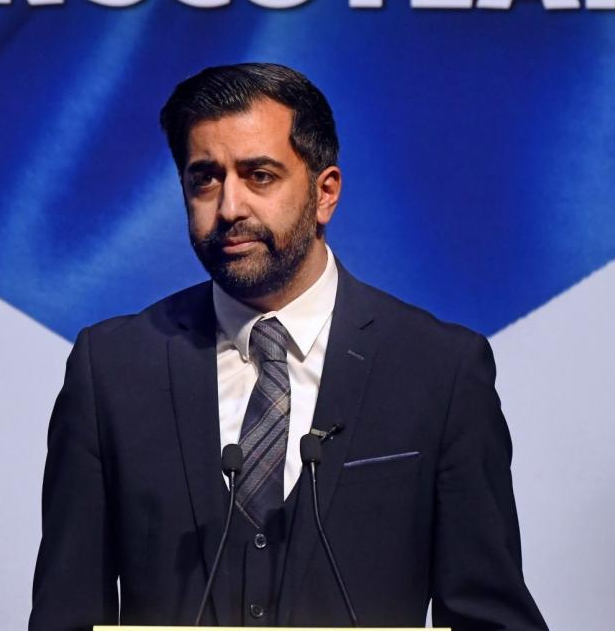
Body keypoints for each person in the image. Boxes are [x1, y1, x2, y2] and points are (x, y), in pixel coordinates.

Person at [30, 63, 547, 630]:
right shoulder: (112, 370)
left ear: (325, 194)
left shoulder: (439, 371)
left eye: (259, 176)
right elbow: (66, 614)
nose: (229, 208)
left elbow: (490, 617)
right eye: (205, 178)